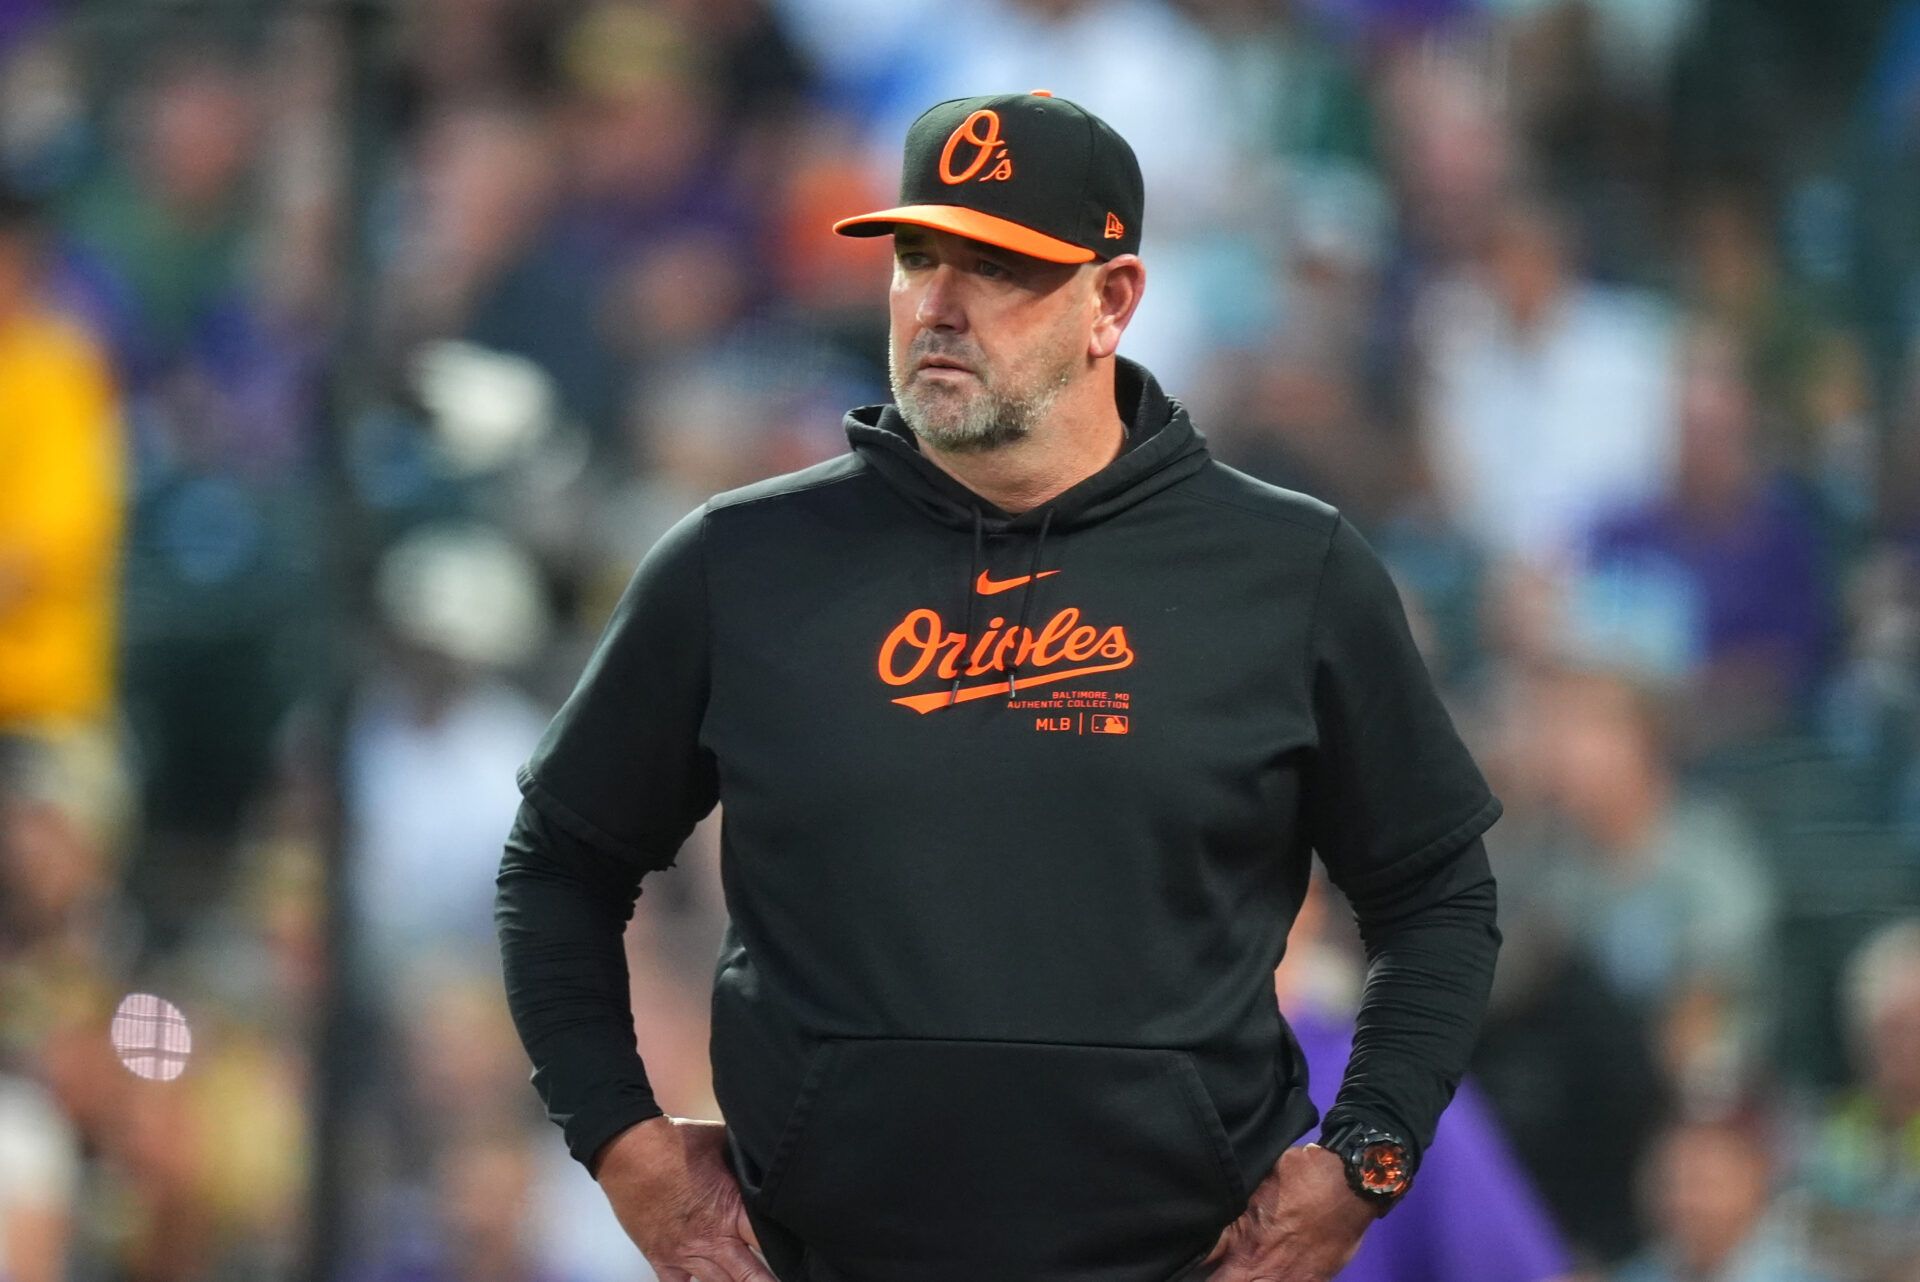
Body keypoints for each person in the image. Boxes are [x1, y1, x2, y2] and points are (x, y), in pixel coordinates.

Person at [496, 90, 1504, 1282]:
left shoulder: (1291, 572)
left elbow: (1438, 893)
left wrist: (1367, 1155)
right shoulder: (741, 565)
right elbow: (558, 867)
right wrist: (627, 1149)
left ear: (1111, 300)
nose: (938, 304)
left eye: (996, 265)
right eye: (916, 256)